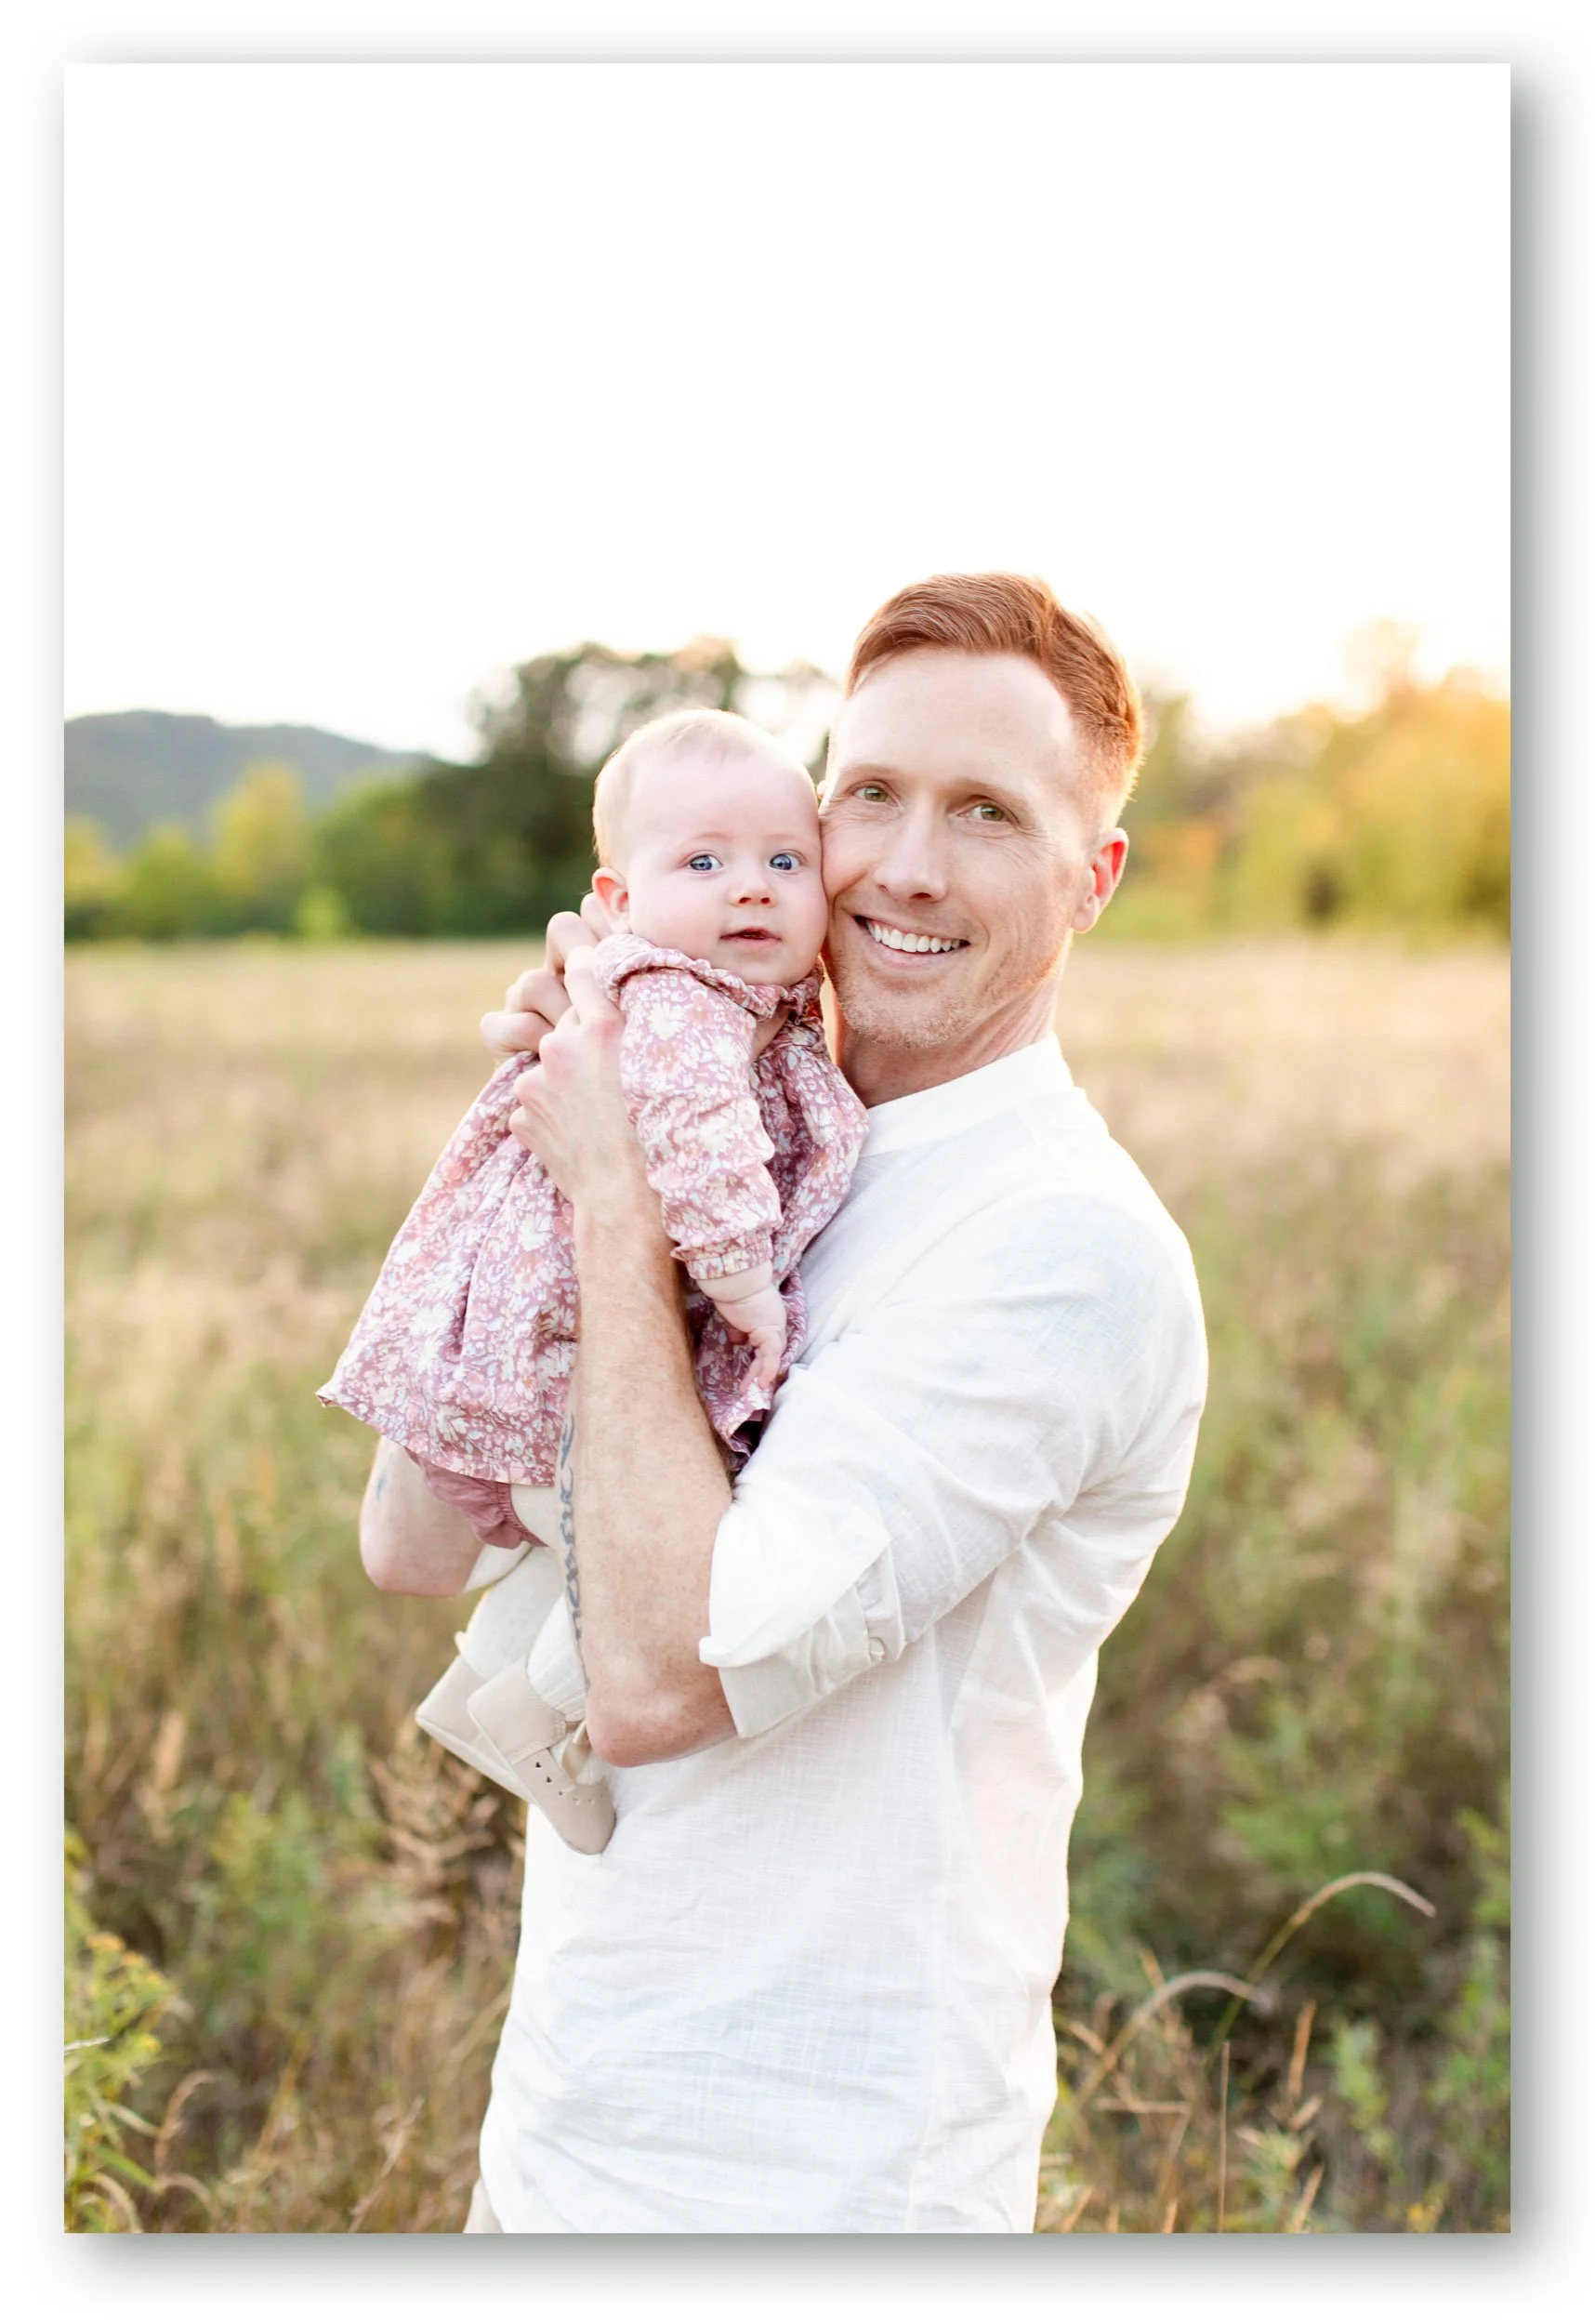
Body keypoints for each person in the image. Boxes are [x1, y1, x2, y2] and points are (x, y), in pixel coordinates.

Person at [360, 573, 1208, 2235]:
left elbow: (669, 1681)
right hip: (563, 2136)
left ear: (1091, 877)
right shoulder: (760, 1125)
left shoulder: (1064, 1249)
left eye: (985, 813)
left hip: (826, 2185)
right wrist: (541, 1142)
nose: (902, 864)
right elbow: (404, 1538)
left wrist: (613, 1206)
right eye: (868, 794)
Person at [322, 709, 866, 1849]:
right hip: (566, 1333)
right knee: (620, 1516)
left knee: (601, 1516)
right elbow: (701, 1145)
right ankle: (535, 1703)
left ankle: (504, 1691)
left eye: (784, 860)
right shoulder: (675, 1001)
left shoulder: (742, 1002)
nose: (753, 889)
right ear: (616, 901)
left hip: (576, 1317)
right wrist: (744, 1290)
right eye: (704, 862)